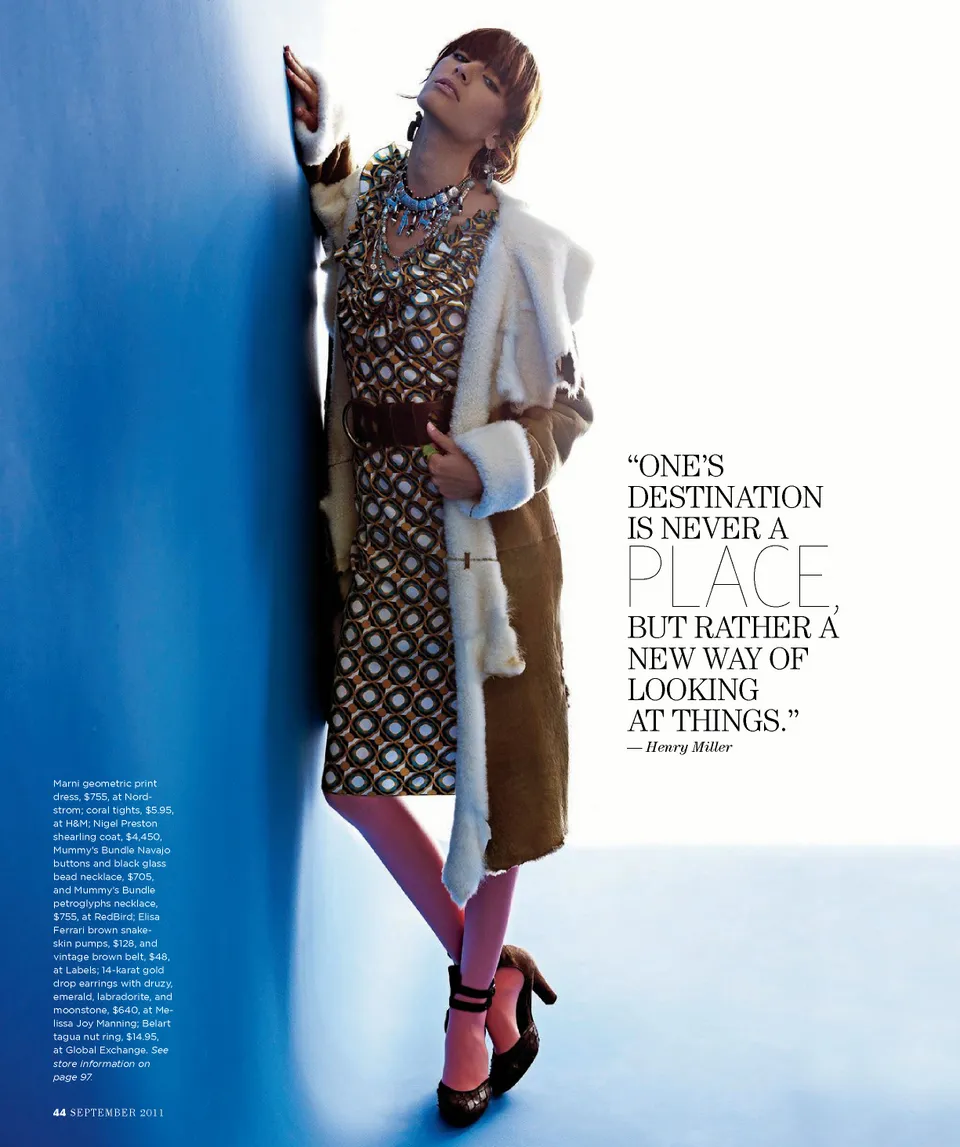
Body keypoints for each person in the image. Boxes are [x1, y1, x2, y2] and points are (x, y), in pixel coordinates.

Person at [284, 28, 594, 1126]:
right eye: (460, 56)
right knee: (356, 783)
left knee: (495, 793)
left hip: (485, 547)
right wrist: (320, 141)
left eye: (490, 76)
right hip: (382, 537)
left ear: (501, 130)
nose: (460, 70)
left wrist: (492, 462)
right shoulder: (376, 199)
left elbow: (569, 406)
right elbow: (340, 231)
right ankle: (494, 969)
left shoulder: (520, 243)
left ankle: (467, 1016)